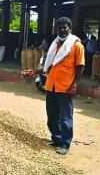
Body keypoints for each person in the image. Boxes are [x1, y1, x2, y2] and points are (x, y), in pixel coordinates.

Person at [23, 17, 84, 155]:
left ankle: (65, 143)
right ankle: (56, 138)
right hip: (51, 86)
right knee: (52, 115)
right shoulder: (55, 44)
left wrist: (74, 86)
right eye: (59, 27)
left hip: (65, 87)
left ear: (70, 28)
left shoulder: (76, 45)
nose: (62, 30)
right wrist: (34, 71)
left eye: (65, 27)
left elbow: (80, 67)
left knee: (65, 117)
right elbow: (48, 67)